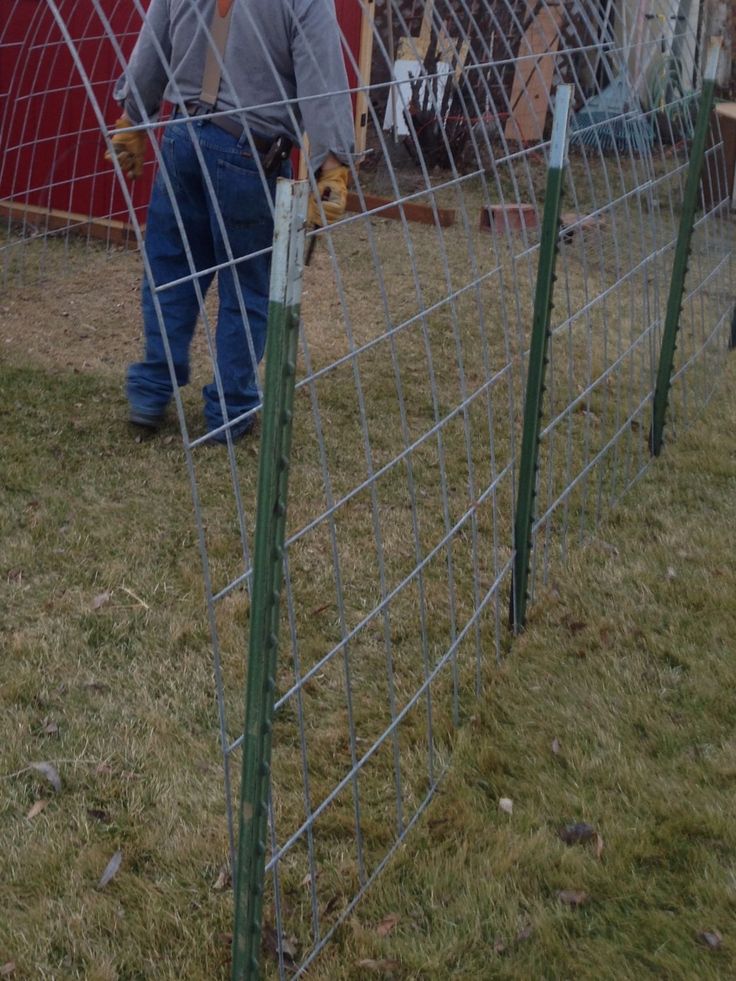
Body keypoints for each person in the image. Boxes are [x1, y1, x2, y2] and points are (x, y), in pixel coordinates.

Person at [107, 0, 354, 443]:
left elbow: (151, 49)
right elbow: (323, 76)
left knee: (170, 272)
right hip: (250, 152)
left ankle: (150, 393)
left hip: (181, 140)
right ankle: (230, 410)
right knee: (248, 288)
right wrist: (332, 164)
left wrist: (132, 120)